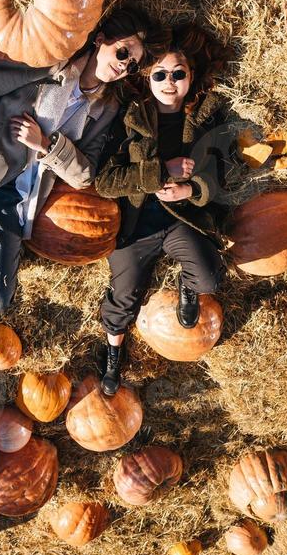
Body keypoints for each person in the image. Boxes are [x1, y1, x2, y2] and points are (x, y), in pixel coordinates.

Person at [0, 8, 159, 349]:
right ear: (101, 40)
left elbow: (84, 174)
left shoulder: (105, 109)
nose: (124, 65)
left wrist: (48, 145)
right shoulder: (48, 65)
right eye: (123, 52)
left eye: (133, 64)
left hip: (15, 198)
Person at [93, 21, 230, 396]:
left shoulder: (205, 116)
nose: (170, 81)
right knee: (123, 299)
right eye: (160, 74)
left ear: (191, 76)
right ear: (147, 79)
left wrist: (189, 188)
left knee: (208, 280)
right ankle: (113, 352)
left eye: (178, 74)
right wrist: (158, 174)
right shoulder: (129, 118)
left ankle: (186, 284)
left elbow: (219, 172)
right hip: (136, 225)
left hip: (180, 218)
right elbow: (105, 181)